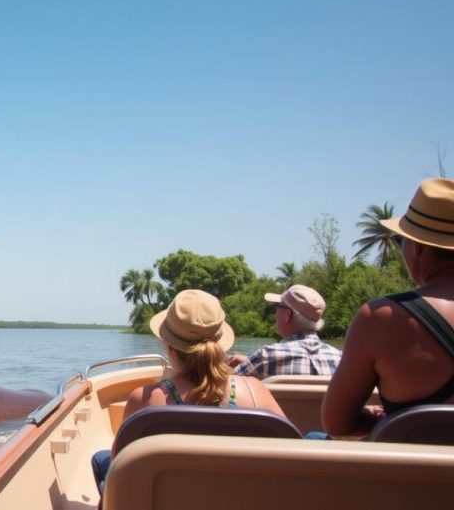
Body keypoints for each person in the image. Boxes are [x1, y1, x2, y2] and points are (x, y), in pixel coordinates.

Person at [92, 289, 285, 497]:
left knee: (100, 459)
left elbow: (119, 472)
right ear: (221, 344)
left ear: (170, 348)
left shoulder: (144, 400)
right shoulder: (256, 392)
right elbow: (291, 458)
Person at [322, 178, 454, 437]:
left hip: (413, 476)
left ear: (417, 247)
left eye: (399, 240)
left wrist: (388, 419)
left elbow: (337, 424)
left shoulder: (381, 318)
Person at [228, 285, 342, 379]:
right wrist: (249, 361)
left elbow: (224, 386)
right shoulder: (340, 360)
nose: (275, 313)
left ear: (287, 315)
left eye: (278, 307)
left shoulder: (266, 356)